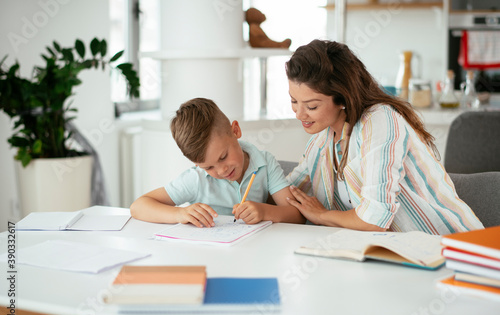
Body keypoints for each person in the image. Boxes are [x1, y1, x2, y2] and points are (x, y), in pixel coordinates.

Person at [284, 39, 483, 235]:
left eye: (311, 106)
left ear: (342, 99)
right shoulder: (323, 140)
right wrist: (254, 162)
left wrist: (322, 215)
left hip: (449, 248)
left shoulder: (379, 121)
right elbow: (287, 193)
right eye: (294, 101)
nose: (299, 114)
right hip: (393, 254)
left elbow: (374, 219)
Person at [130, 97, 305, 227]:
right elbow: (138, 206)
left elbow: (297, 215)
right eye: (209, 167)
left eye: (223, 157)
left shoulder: (265, 162)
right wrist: (179, 213)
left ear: (235, 130)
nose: (221, 171)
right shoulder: (197, 179)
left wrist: (264, 211)